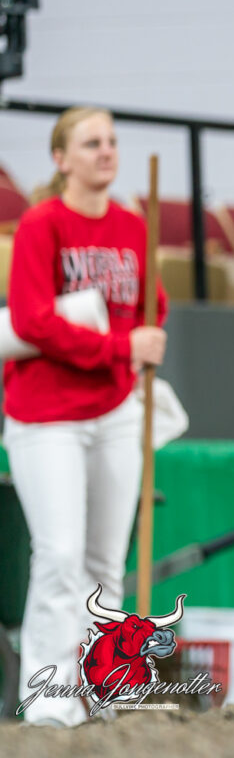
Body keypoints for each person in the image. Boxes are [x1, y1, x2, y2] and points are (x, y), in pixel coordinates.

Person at [2, 107, 167, 726]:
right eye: (92, 142)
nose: (106, 151)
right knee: (61, 554)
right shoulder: (41, 224)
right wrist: (120, 347)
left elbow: (153, 305)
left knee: (104, 563)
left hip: (116, 411)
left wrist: (144, 340)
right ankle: (49, 701)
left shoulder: (133, 226)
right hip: (46, 416)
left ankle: (104, 693)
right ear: (61, 158)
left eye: (112, 141)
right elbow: (31, 321)